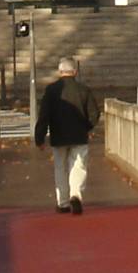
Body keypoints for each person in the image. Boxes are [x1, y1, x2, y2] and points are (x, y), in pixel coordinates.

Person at [34, 57, 98, 215]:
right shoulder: (84, 90)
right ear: (75, 72)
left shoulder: (51, 90)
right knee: (79, 166)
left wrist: (40, 137)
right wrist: (87, 127)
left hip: (59, 135)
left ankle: (62, 202)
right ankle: (75, 194)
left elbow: (44, 116)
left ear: (60, 71)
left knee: (60, 167)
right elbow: (94, 114)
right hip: (79, 135)